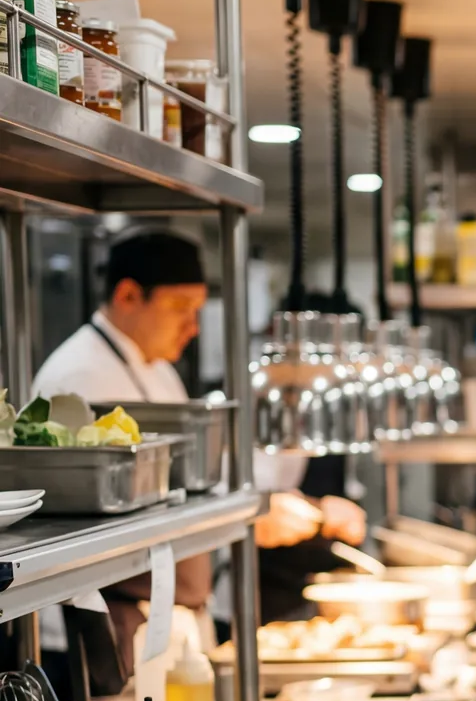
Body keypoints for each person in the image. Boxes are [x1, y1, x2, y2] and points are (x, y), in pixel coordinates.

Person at [32, 230, 369, 630]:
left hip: (165, 610)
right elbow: (106, 524)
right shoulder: (78, 376)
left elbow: (194, 475)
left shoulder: (158, 368)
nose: (193, 327)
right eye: (181, 308)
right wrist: (246, 514)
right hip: (103, 622)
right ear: (128, 296)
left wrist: (271, 505)